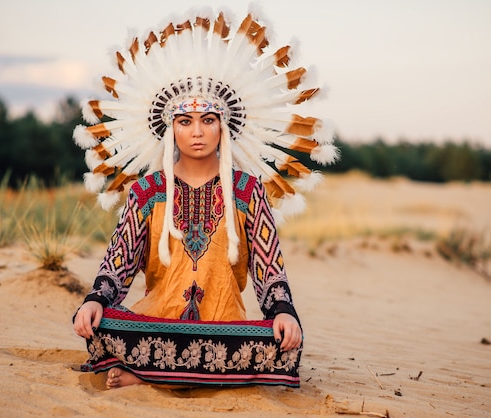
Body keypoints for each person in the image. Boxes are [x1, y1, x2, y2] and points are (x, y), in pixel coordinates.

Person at [71, 7, 338, 390]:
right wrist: (95, 299)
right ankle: (185, 377)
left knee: (285, 345)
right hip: (156, 323)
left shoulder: (248, 191)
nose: (197, 131)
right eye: (185, 122)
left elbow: (269, 269)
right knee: (98, 325)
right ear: (170, 129)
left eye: (208, 120)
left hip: (224, 325)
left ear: (223, 125)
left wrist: (283, 311)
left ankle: (147, 376)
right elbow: (119, 262)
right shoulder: (147, 192)